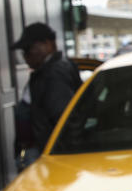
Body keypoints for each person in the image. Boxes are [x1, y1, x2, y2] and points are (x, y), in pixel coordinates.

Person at [12, 22, 81, 168]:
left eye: (28, 50)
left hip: (47, 156)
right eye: (23, 53)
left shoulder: (54, 74)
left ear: (47, 44)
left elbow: (63, 119)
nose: (25, 57)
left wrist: (60, 158)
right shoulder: (45, 71)